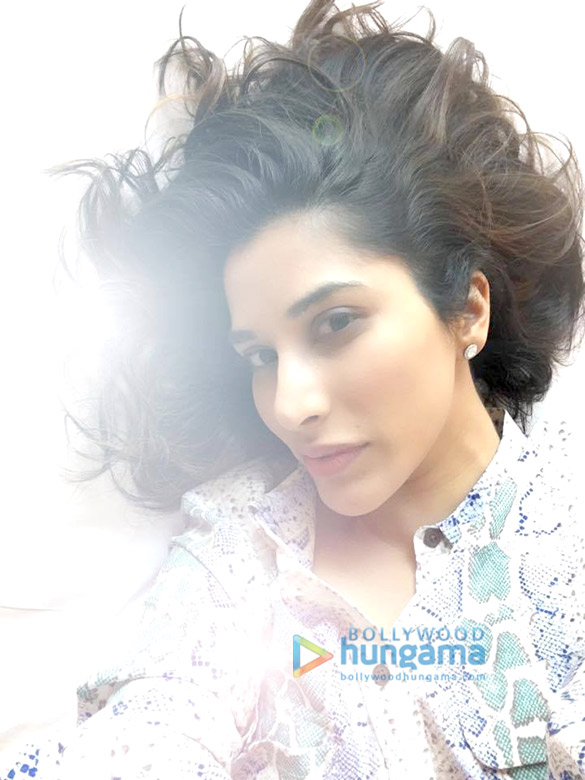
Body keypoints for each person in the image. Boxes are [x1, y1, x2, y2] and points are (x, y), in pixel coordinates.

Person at [4, 0, 585, 777]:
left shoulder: (567, 541)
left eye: (335, 323)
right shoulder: (243, 545)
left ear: (468, 310)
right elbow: (156, 720)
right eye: (259, 355)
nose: (289, 404)